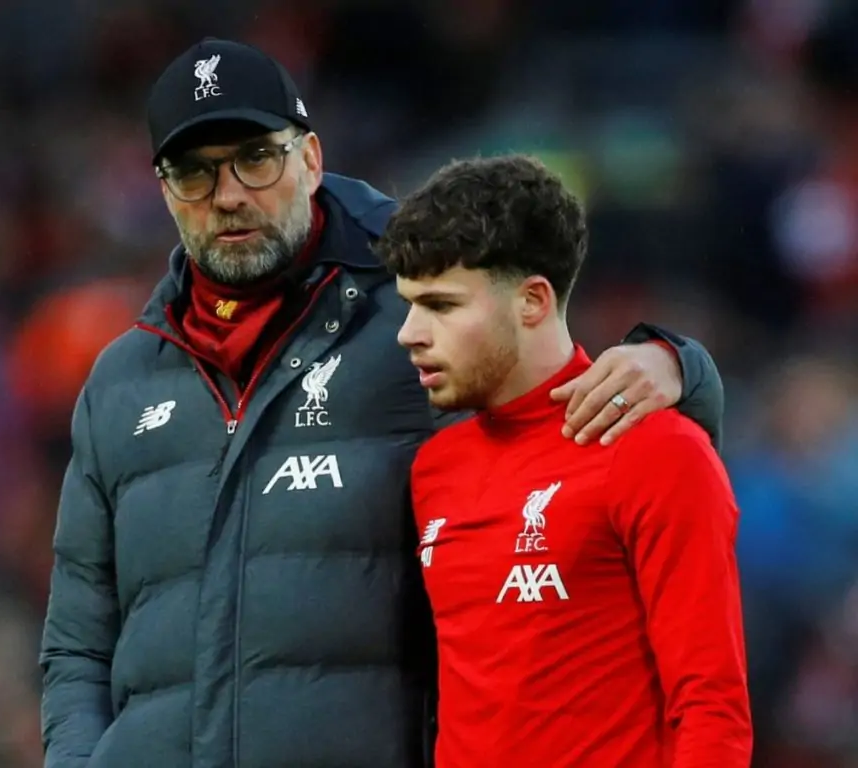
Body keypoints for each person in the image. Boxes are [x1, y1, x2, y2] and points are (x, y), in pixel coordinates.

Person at [38, 37, 727, 768]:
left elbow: (554, 385)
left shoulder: (417, 316)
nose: (229, 195)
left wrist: (679, 366)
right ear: (164, 190)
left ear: (310, 159)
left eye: (256, 158)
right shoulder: (121, 381)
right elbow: (77, 644)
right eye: (194, 173)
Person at [375, 153, 752, 767]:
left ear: (532, 301)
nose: (409, 332)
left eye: (441, 305)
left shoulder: (653, 449)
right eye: (410, 304)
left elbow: (712, 706)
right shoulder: (435, 467)